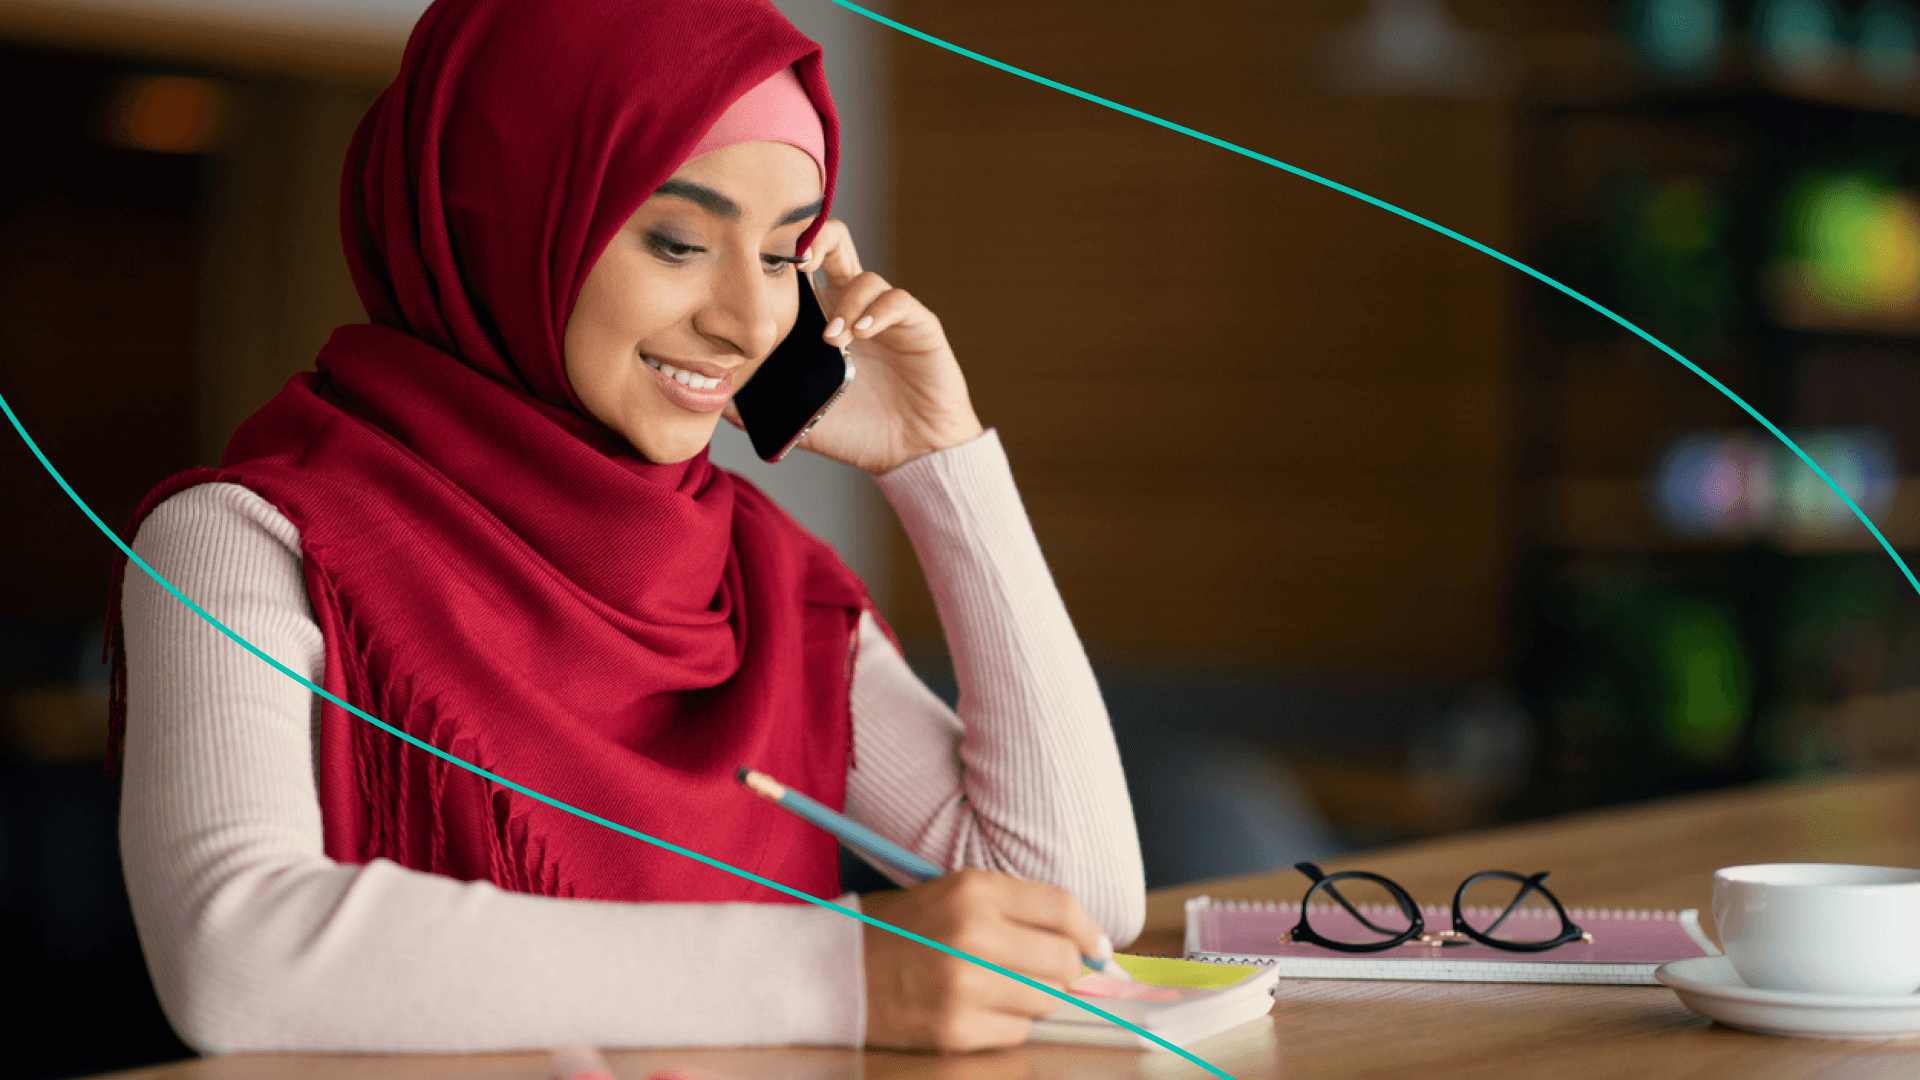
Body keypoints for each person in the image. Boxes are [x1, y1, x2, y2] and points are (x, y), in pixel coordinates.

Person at [111, 0, 1143, 1056]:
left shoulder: (762, 579)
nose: (748, 321)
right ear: (501, 220)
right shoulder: (250, 541)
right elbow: (235, 958)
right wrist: (846, 975)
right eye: (680, 240)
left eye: (786, 256)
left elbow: (1069, 907)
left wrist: (943, 461)